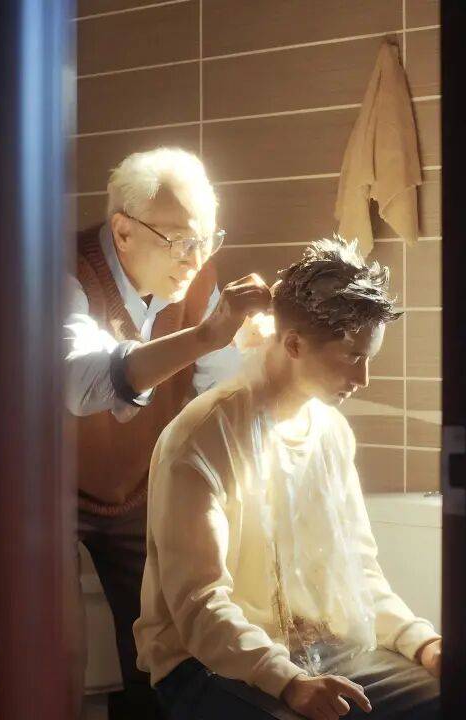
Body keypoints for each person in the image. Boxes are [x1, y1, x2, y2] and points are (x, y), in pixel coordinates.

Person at [133, 237, 443, 719]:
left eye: (369, 358)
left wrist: (423, 643)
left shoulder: (331, 433)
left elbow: (359, 572)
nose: (363, 378)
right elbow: (200, 605)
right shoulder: (200, 441)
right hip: (204, 663)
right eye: (352, 357)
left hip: (319, 648)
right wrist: (288, 681)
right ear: (294, 344)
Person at [63, 147, 272, 717]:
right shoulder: (65, 272)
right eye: (180, 241)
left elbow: (218, 390)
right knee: (54, 656)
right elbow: (80, 382)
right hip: (40, 488)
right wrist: (207, 335)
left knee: (158, 653)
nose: (195, 260)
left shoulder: (196, 278)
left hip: (136, 488)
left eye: (206, 241)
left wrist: (260, 356)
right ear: (122, 231)